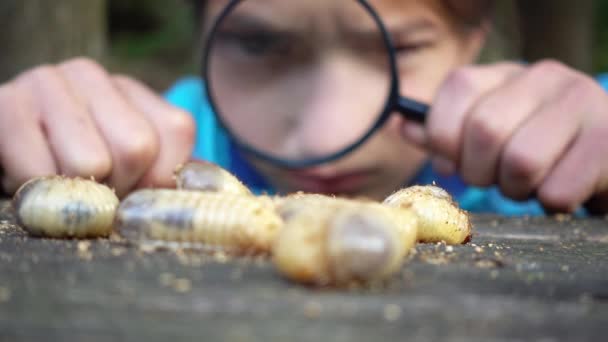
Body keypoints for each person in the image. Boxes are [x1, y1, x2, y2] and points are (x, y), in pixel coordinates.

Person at [0, 0, 607, 216]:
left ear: (476, 36)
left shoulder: (562, 126)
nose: (327, 133)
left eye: (398, 48)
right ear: (202, 33)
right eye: (261, 44)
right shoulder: (134, 150)